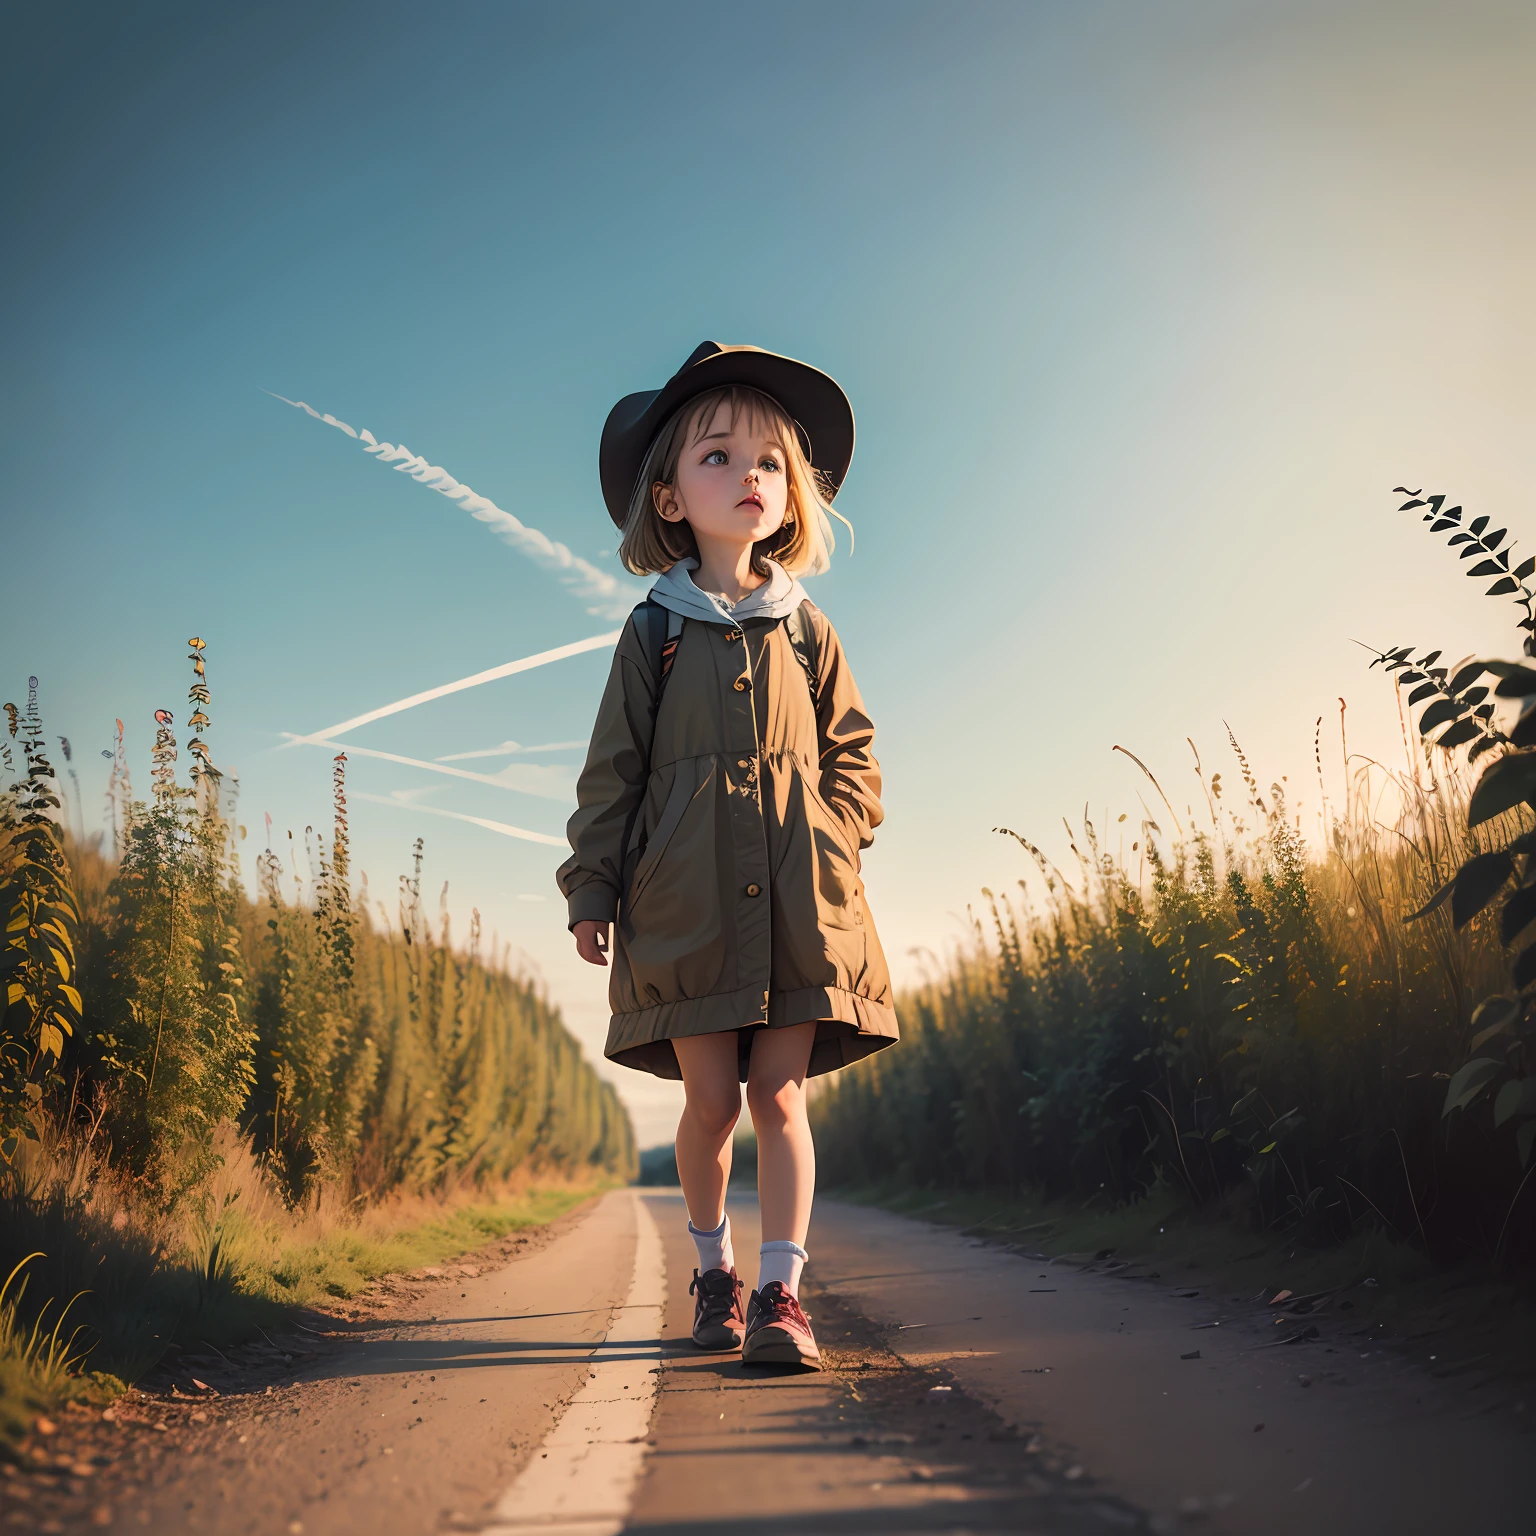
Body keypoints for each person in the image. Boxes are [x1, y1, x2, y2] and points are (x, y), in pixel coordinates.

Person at [559, 342, 898, 1369]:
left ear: (793, 493)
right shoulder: (653, 634)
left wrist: (837, 832)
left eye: (768, 461)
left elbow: (856, 752)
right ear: (668, 497)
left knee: (780, 1097)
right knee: (710, 1103)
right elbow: (611, 770)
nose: (748, 476)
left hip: (802, 901)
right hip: (686, 909)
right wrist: (595, 885)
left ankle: (785, 1293)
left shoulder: (809, 632)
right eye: (718, 456)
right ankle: (716, 1273)